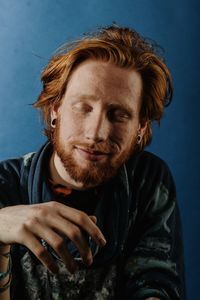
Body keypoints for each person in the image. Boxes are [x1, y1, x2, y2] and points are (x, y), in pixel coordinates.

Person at [0, 25, 186, 300]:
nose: (95, 133)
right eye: (83, 106)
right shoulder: (6, 184)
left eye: (119, 114)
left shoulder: (147, 181)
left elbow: (157, 282)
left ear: (140, 127)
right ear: (56, 109)